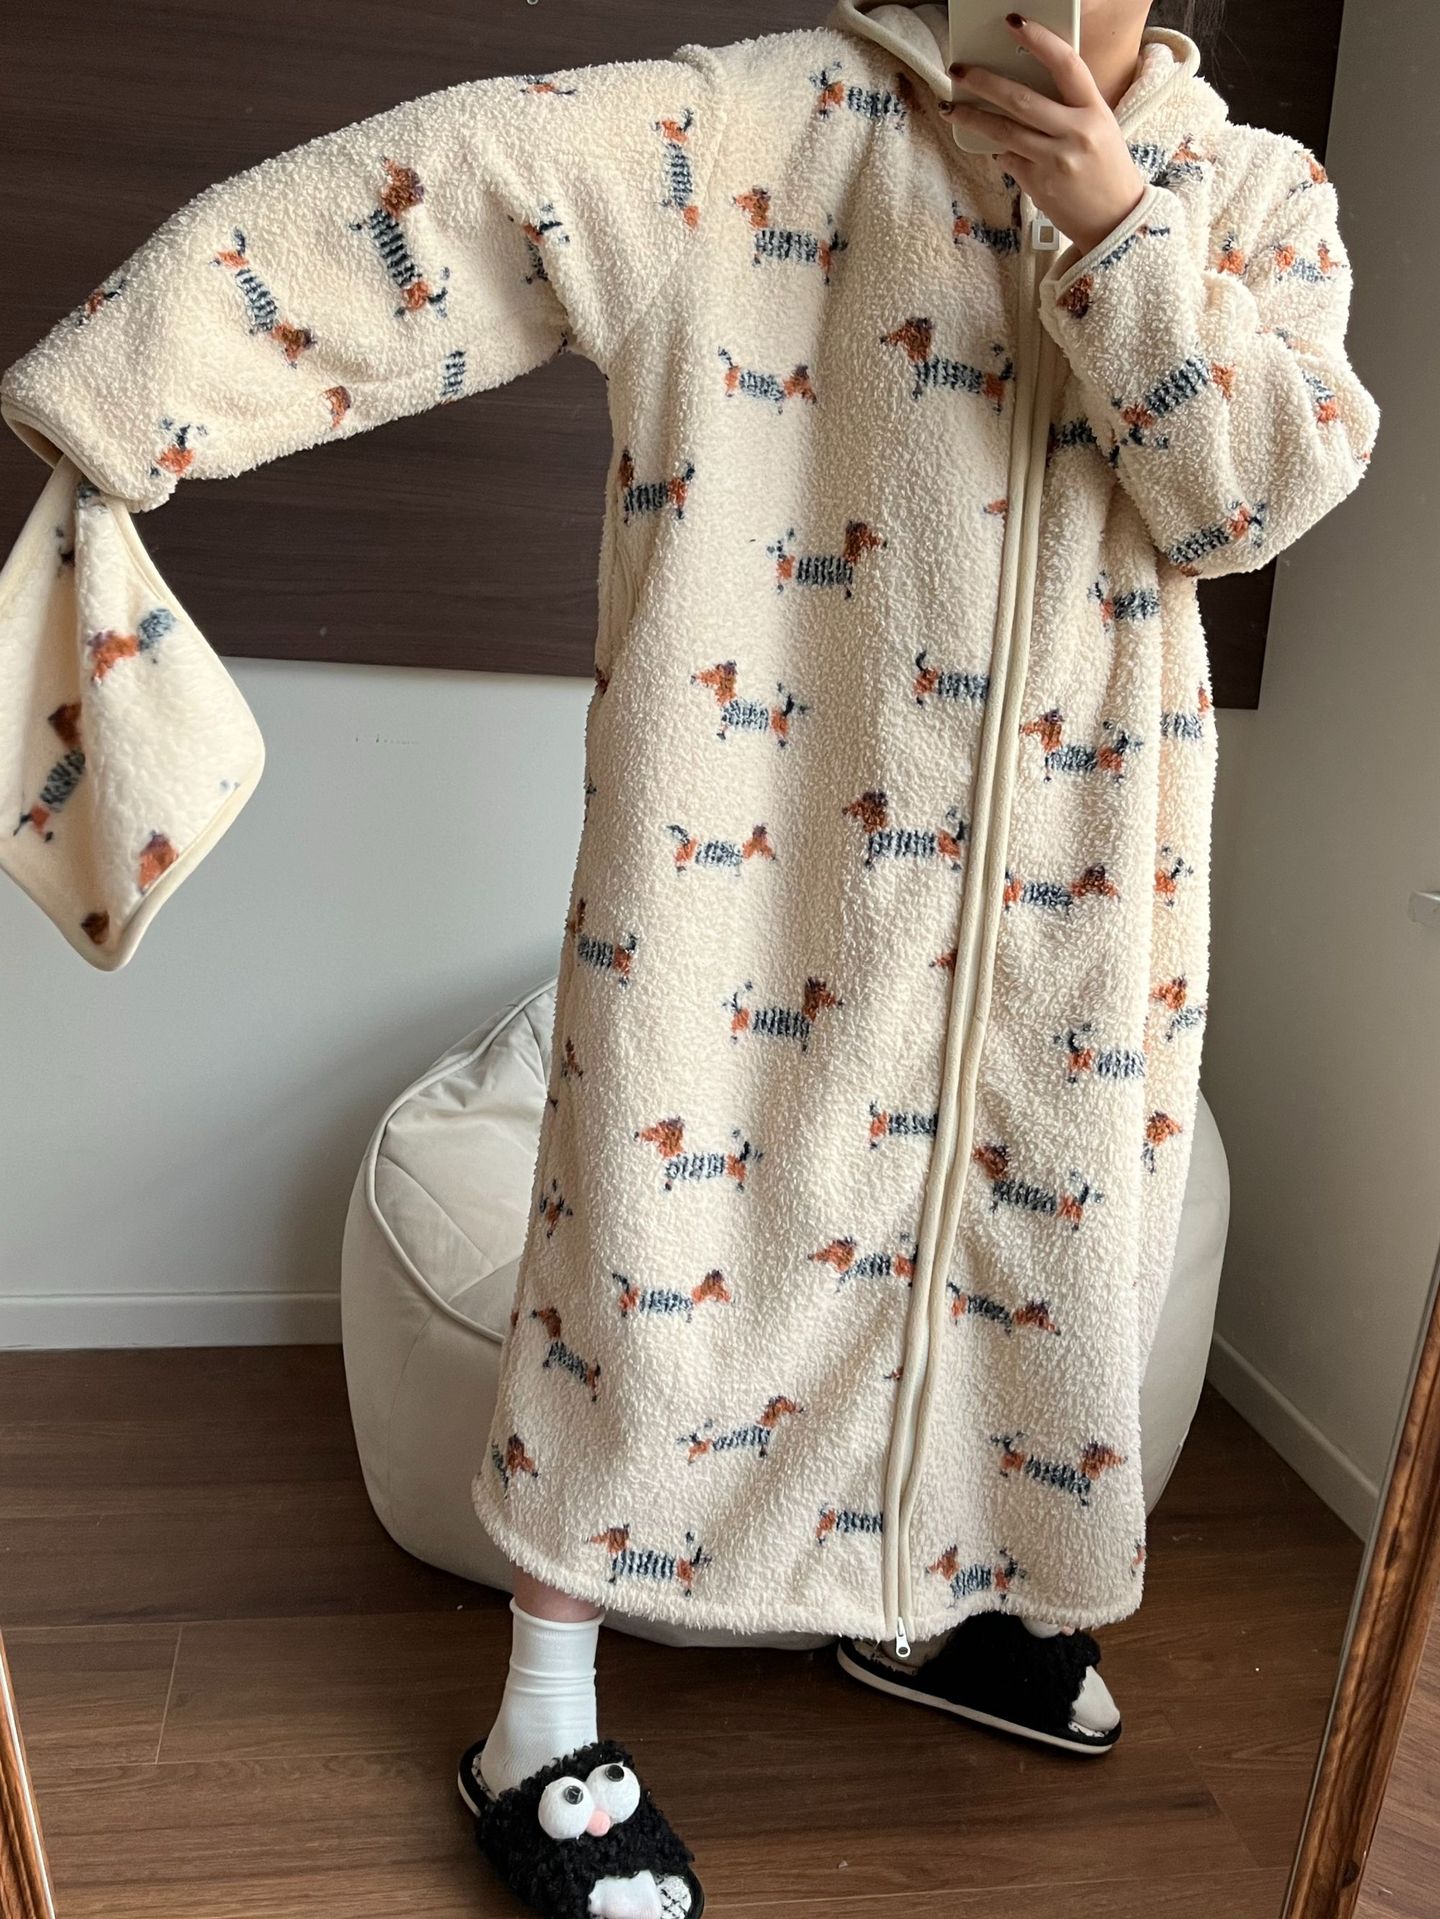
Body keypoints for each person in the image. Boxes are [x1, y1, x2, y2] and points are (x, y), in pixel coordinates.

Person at [0, 2, 1376, 1913]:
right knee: (651, 1253)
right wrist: (116, 392)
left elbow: (1251, 502)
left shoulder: (1256, 194)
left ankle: (940, 1607)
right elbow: (444, 190)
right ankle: (537, 1721)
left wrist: (1119, 227)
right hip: (757, 860)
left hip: (1081, 901)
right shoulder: (751, 127)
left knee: (1050, 1256)